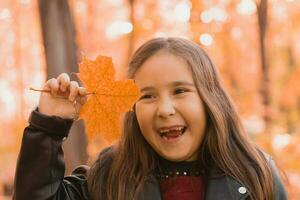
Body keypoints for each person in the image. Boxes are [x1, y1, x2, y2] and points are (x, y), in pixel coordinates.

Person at [13, 37, 287, 200]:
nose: (165, 109)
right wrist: (48, 128)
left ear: (210, 99)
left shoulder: (255, 175)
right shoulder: (109, 177)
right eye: (148, 96)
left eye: (180, 91)